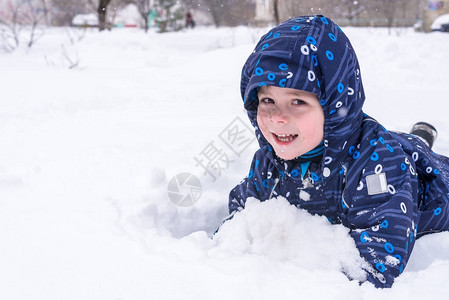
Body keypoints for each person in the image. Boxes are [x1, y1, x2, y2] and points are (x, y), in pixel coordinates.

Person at [227, 15, 449, 288]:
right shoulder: (267, 163)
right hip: (373, 143)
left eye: (297, 101)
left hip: (430, 180)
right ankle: (420, 135)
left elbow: (377, 265)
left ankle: (421, 139)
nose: (277, 117)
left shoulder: (379, 166)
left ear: (334, 107)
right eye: (268, 100)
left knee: (411, 152)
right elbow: (239, 214)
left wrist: (282, 264)